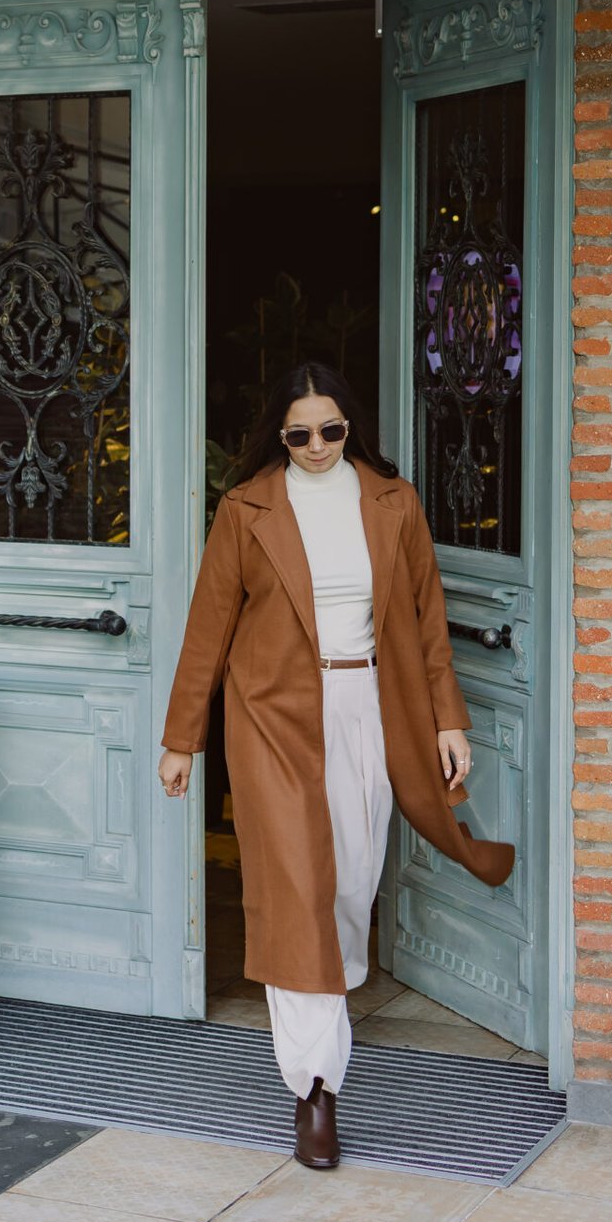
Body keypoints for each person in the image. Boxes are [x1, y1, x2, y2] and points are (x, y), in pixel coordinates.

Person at [159, 362, 513, 1168]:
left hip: (370, 707)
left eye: (331, 430)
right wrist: (183, 739)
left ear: (350, 427)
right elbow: (208, 629)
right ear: (278, 436)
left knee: (351, 885)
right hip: (273, 714)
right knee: (296, 893)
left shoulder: (393, 502)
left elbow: (427, 618)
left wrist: (447, 720)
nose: (316, 446)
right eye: (299, 435)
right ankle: (315, 1089)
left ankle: (326, 1017)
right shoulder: (247, 508)